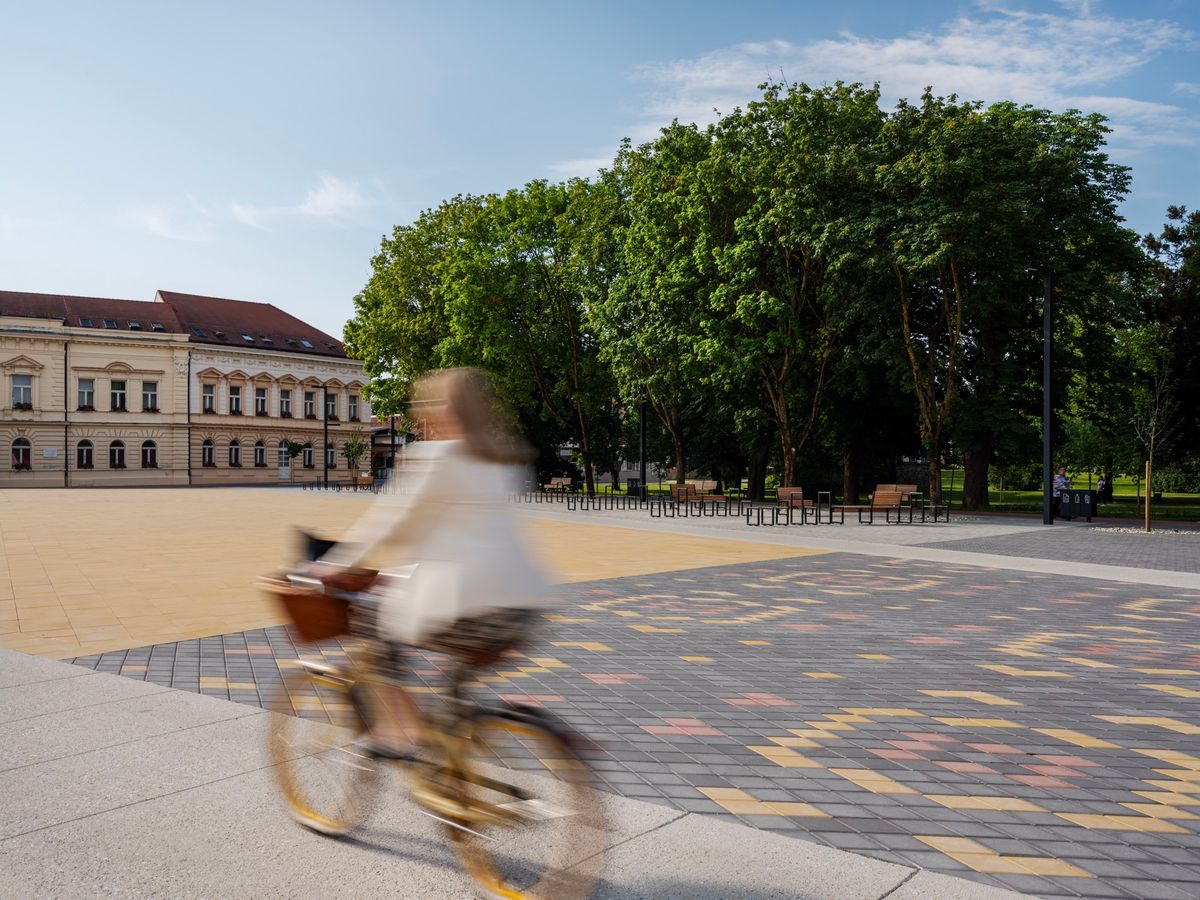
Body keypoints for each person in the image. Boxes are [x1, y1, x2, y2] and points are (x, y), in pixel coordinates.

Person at [312, 368, 552, 756]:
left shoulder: (436, 456)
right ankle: (456, 763)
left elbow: (390, 525)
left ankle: (397, 732)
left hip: (471, 608)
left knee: (370, 623)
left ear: (447, 409)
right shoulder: (505, 458)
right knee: (454, 685)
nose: (422, 412)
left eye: (428, 403)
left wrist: (331, 566)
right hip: (523, 607)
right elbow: (462, 536)